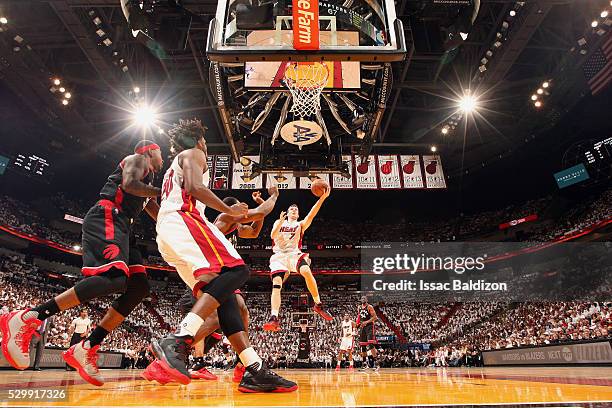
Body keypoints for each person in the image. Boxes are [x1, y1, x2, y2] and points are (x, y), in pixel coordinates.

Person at [150, 118, 296, 393]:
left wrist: (271, 199)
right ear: (200, 140)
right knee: (237, 271)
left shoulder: (174, 168)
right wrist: (231, 210)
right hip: (184, 220)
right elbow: (194, 188)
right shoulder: (194, 153)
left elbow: (255, 217)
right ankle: (179, 339)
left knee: (229, 300)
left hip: (171, 231)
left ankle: (253, 369)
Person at [0, 140, 163, 386]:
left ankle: (87, 346)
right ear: (150, 151)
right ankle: (28, 316)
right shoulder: (138, 160)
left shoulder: (147, 184)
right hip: (108, 215)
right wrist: (162, 191)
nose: (164, 158)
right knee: (114, 279)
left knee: (139, 288)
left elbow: (158, 212)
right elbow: (130, 185)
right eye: (161, 153)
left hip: (125, 228)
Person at [144, 188, 279, 384]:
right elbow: (258, 213)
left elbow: (254, 232)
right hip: (212, 271)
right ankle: (176, 351)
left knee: (241, 311)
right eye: (241, 207)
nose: (243, 210)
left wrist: (257, 212)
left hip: (219, 272)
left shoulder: (234, 228)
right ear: (232, 206)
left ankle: (243, 364)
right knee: (220, 316)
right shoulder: (223, 218)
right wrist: (269, 199)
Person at [262, 192, 333, 332]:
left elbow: (311, 214)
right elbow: (272, 235)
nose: (294, 210)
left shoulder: (300, 225)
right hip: (279, 256)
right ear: (287, 213)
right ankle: (274, 317)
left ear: (298, 215)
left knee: (306, 271)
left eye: (296, 210)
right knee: (276, 285)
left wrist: (322, 198)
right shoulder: (279, 222)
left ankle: (318, 304)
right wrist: (280, 222)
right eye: (291, 209)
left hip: (294, 254)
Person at [357, 295, 379, 371]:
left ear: (367, 300)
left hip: (370, 326)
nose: (363, 299)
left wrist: (367, 322)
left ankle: (376, 363)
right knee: (362, 345)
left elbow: (375, 317)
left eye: (364, 298)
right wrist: (357, 326)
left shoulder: (370, 307)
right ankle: (364, 364)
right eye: (362, 298)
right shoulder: (359, 307)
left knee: (370, 344)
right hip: (362, 327)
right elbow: (359, 317)